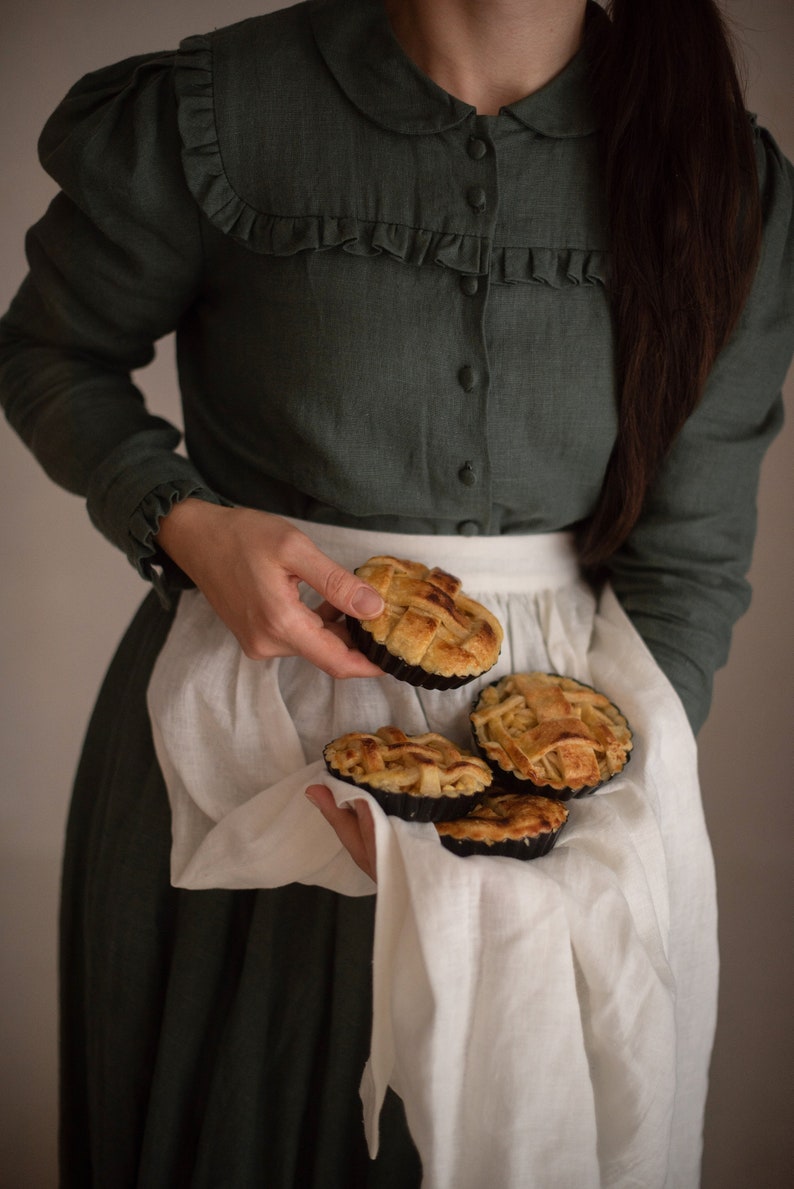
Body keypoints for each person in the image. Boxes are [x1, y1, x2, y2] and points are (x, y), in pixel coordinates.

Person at [1, 0, 792, 1185]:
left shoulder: (717, 175)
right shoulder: (223, 110)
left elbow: (686, 567)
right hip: (239, 754)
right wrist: (186, 522)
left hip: (555, 796)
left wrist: (557, 835)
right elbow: (47, 350)